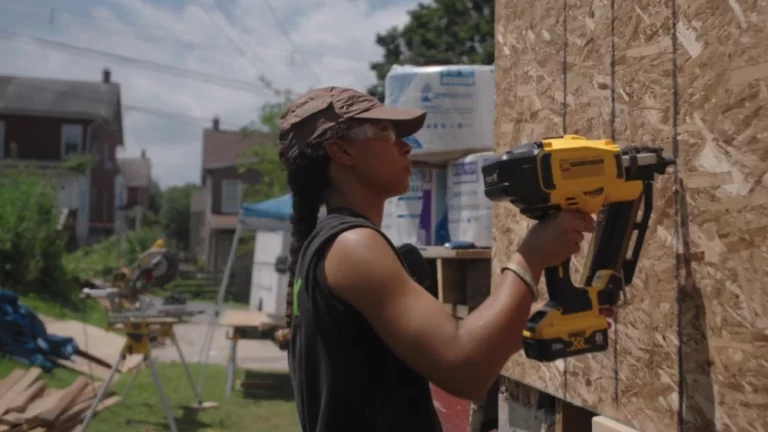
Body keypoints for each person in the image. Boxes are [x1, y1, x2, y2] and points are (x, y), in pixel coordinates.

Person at [273, 86, 608, 432]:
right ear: (341, 150)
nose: (406, 146)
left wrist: (540, 320)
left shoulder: (330, 246)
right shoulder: (354, 246)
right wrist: (530, 257)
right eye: (386, 132)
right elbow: (464, 370)